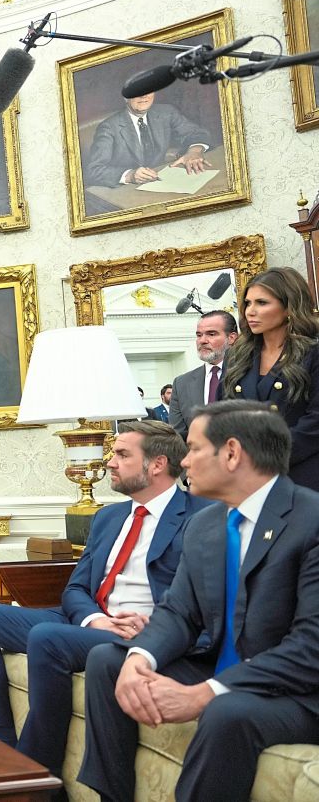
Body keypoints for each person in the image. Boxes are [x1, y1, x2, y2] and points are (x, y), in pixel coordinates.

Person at [79, 400, 319, 802]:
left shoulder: (309, 521)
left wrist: (205, 693)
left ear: (231, 453)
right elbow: (179, 612)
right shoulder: (205, 524)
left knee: (226, 712)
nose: (184, 461)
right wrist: (140, 659)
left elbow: (311, 648)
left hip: (297, 690)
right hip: (223, 667)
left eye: (193, 449)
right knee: (109, 661)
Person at [0, 420, 207, 779]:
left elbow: (196, 599)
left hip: (138, 634)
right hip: (94, 623)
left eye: (122, 454)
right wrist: (93, 619)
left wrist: (155, 626)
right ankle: (3, 745)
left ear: (157, 464)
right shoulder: (109, 516)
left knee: (47, 637)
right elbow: (74, 589)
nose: (109, 463)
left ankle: (38, 772)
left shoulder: (198, 517)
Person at [220, 267, 319, 491]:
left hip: (301, 477)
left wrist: (265, 455)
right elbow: (221, 411)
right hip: (246, 479)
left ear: (288, 307)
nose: (250, 311)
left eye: (262, 303)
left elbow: (315, 421)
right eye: (247, 303)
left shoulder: (313, 353)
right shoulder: (236, 355)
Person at [83, 90, 212, 189]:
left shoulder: (166, 112)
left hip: (163, 182)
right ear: (125, 97)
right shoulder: (109, 128)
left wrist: (194, 151)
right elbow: (93, 170)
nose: (143, 96)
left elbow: (197, 132)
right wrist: (130, 175)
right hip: (126, 190)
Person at [170, 310, 239, 440]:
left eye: (211, 334)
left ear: (231, 338)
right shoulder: (181, 383)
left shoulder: (248, 373)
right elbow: (178, 438)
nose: (202, 340)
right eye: (199, 335)